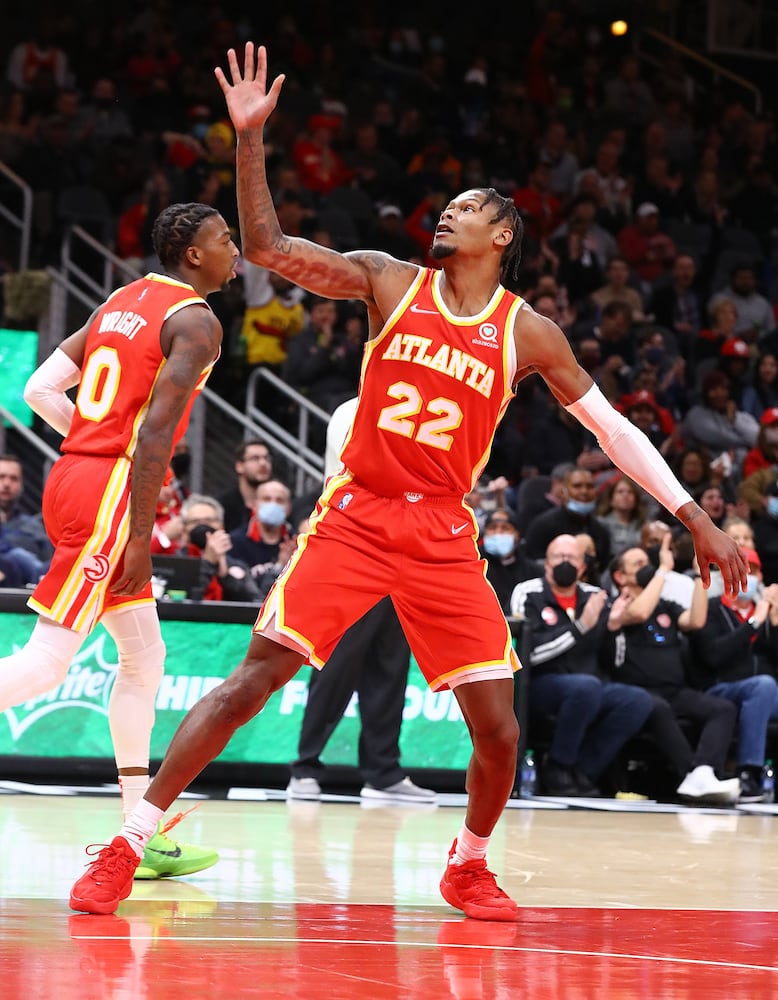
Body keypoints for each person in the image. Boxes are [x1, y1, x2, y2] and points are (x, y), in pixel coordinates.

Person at [69, 43, 748, 921]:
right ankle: (128, 844)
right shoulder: (389, 281)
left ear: (502, 236)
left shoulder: (527, 332)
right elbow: (268, 247)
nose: (448, 213)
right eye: (449, 205)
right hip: (355, 514)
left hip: (441, 532)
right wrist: (250, 140)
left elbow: (613, 430)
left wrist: (694, 515)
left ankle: (468, 864)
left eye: (468, 208)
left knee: (498, 727)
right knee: (250, 683)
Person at [2, 202, 238, 881]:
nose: (235, 250)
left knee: (144, 657)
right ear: (193, 254)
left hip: (73, 476)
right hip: (112, 492)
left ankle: (141, 829)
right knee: (49, 661)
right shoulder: (196, 321)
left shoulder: (118, 302)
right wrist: (138, 535)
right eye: (225, 239)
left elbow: (39, 389)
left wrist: (89, 439)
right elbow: (158, 434)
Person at [288, 397, 435, 804]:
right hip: (355, 549)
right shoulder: (353, 410)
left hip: (406, 550)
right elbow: (369, 473)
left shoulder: (426, 406)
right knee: (336, 664)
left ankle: (383, 772)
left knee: (390, 667)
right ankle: (305, 767)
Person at [510, 534, 654, 796]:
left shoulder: (595, 596)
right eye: (558, 557)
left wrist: (614, 628)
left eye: (572, 558)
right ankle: (558, 767)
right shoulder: (528, 593)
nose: (565, 562)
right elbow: (526, 655)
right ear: (546, 564)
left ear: (583, 567)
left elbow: (616, 662)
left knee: (637, 701)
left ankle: (584, 770)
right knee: (585, 687)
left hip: (590, 685)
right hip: (538, 685)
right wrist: (579, 628)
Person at [608, 540, 740, 804]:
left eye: (647, 563)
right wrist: (663, 570)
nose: (646, 568)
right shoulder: (617, 604)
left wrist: (700, 576)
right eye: (638, 564)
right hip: (637, 692)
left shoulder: (665, 605)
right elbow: (640, 612)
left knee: (722, 709)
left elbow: (696, 621)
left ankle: (704, 772)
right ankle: (689, 774)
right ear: (620, 576)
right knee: (658, 708)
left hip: (674, 690)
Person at [689, 546, 778, 802]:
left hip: (766, 697)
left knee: (765, 688)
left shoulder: (767, 611)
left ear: (761, 578)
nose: (748, 577)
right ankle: (748, 773)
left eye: (753, 572)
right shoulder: (712, 608)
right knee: (763, 686)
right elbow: (713, 655)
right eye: (741, 570)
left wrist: (775, 623)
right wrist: (753, 623)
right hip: (722, 689)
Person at [0, 454, 53, 585]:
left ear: (21, 484)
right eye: (1, 477)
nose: (7, 484)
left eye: (14, 478)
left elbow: (50, 568)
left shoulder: (35, 527)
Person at [217, 438, 274, 532]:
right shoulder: (223, 506)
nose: (263, 463)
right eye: (255, 458)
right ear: (239, 466)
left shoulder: (278, 503)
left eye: (266, 458)